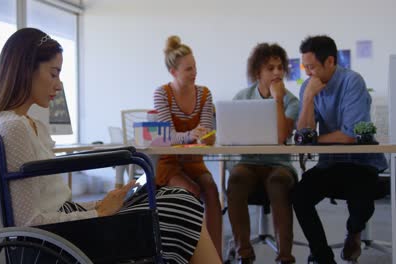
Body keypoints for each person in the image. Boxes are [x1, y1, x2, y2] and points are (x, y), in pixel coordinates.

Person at [0, 28, 221, 264]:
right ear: (27, 70)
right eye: (53, 73)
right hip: (65, 236)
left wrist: (100, 204)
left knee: (176, 197)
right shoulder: (13, 128)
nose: (59, 85)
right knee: (181, 204)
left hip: (70, 223)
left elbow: (51, 203)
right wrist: (99, 213)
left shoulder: (26, 123)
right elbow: (29, 222)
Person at [292, 35, 388, 264]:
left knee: (361, 200)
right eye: (305, 67)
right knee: (299, 196)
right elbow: (303, 136)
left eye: (312, 67)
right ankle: (323, 257)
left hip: (361, 163)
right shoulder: (309, 86)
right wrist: (307, 99)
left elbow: (349, 135)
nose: (307, 73)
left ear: (331, 62)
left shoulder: (352, 82)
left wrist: (314, 139)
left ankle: (354, 232)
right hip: (331, 163)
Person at [226, 43, 299, 264]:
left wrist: (277, 99)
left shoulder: (291, 101)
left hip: (280, 165)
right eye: (270, 68)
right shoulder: (242, 97)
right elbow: (232, 135)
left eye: (280, 67)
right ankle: (244, 253)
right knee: (236, 179)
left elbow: (281, 136)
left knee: (278, 182)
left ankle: (285, 257)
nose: (277, 72)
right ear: (258, 72)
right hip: (248, 162)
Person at [153, 35, 222, 258]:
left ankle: (215, 256)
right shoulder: (162, 94)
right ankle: (192, 255)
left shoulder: (204, 94)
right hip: (169, 163)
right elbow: (167, 136)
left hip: (194, 162)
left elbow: (207, 131)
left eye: (195, 68)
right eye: (188, 69)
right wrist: (192, 135)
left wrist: (207, 136)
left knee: (211, 190)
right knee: (190, 192)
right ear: (173, 72)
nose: (194, 73)